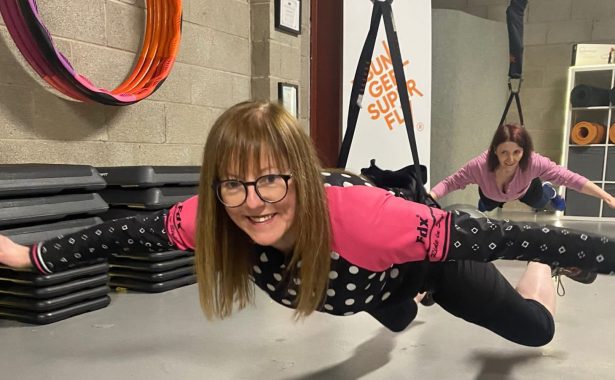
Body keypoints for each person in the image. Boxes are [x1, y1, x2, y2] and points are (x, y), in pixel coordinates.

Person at [1, 101, 615, 348]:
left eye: (271, 179)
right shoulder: (214, 217)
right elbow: (122, 233)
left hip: (418, 259)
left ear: (298, 173)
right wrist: (28, 258)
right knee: (398, 315)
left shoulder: (367, 221)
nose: (255, 202)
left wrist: (581, 250)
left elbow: (503, 234)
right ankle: (400, 297)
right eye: (235, 182)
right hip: (362, 286)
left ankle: (543, 278)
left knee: (533, 331)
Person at [429, 123, 615, 213]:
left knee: (541, 204)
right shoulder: (479, 166)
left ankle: (549, 192)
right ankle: (488, 203)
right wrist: (431, 196)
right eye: (504, 153)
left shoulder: (533, 162)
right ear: (494, 150)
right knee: (485, 205)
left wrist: (605, 196)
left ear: (524, 151)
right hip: (492, 193)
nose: (510, 159)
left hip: (526, 190)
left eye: (517, 152)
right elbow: (451, 182)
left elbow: (570, 178)